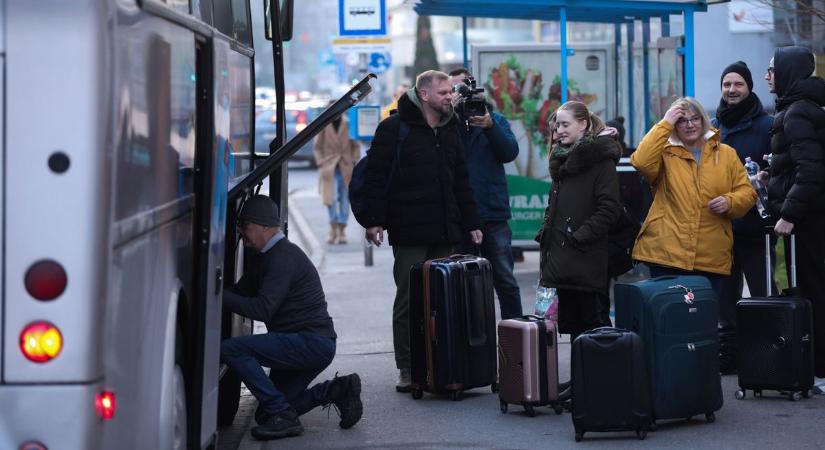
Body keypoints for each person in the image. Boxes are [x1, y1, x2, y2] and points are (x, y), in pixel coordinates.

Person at [361, 70, 483, 393]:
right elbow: (375, 178)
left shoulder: (450, 127)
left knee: (443, 301)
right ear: (425, 95)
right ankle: (407, 366)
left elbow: (461, 181)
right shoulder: (393, 129)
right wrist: (373, 220)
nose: (450, 96)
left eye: (450, 91)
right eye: (443, 92)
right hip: (409, 231)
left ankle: (440, 364)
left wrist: (472, 223)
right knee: (410, 300)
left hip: (444, 230)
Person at [220, 195, 363, 440]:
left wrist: (216, 295)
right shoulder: (263, 256)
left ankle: (282, 411)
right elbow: (241, 293)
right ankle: (337, 390)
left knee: (232, 349)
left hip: (310, 342)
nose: (242, 234)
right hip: (305, 342)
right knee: (266, 415)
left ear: (264, 227)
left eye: (246, 227)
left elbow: (263, 309)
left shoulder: (282, 257)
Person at [631, 98, 756, 297]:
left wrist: (730, 201)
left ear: (703, 120)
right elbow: (640, 161)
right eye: (682, 120)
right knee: (668, 320)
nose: (690, 125)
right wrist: (665, 123)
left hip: (711, 256)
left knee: (703, 322)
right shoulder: (665, 154)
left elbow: (747, 193)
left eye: (695, 119)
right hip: (667, 256)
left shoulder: (726, 154)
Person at [761, 46, 825, 393]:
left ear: (788, 72)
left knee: (813, 291)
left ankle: (817, 369)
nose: (768, 75)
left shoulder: (796, 111)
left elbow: (812, 170)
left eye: (773, 69)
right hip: (810, 216)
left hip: (808, 221)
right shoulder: (803, 107)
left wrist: (788, 212)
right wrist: (774, 177)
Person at [537, 101, 622, 342]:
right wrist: (546, 231)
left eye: (565, 125)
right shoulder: (562, 160)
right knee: (574, 326)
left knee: (594, 326)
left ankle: (597, 380)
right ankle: (580, 378)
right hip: (563, 259)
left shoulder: (601, 161)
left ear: (583, 125)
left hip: (586, 258)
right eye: (556, 127)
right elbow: (554, 206)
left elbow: (609, 209)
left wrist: (578, 237)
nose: (559, 131)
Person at [711, 61, 776, 372]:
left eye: (737, 84)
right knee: (725, 297)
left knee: (763, 292)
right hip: (721, 229)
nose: (731, 90)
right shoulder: (714, 128)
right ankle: (731, 355)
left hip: (757, 228)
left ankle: (770, 352)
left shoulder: (767, 125)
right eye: (727, 85)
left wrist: (766, 178)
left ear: (749, 87)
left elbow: (780, 169)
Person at [448, 68, 522, 320]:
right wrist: (453, 118)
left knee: (505, 280)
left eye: (464, 87)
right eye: (455, 89)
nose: (461, 94)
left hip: (493, 214)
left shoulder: (495, 119)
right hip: (460, 216)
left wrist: (490, 127)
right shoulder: (446, 123)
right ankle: (473, 341)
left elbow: (510, 152)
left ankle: (515, 337)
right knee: (462, 284)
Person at [313, 108, 361, 244]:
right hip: (329, 168)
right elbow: (317, 147)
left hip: (346, 168)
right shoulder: (324, 125)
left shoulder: (348, 123)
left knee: (345, 200)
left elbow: (356, 146)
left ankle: (342, 229)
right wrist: (321, 162)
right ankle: (333, 227)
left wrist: (353, 160)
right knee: (330, 199)